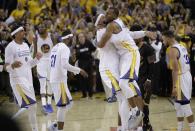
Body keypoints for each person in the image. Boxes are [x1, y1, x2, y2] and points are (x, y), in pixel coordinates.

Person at [97, 7, 145, 129]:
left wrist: (145, 33)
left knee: (124, 97)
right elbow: (100, 44)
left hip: (120, 64)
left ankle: (127, 125)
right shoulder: (102, 30)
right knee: (124, 96)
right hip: (108, 68)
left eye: (107, 14)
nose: (105, 17)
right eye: (102, 17)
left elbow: (129, 34)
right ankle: (132, 117)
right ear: (98, 23)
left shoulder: (114, 26)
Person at [4, 23, 42, 131]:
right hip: (18, 80)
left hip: (28, 80)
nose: (24, 32)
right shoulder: (10, 47)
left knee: (31, 108)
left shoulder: (25, 45)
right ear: (15, 34)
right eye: (21, 31)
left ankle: (34, 129)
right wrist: (12, 65)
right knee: (32, 105)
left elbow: (29, 64)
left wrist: (37, 59)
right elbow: (6, 66)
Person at [48, 29, 88, 131]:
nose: (74, 39)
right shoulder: (65, 48)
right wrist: (79, 70)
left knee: (69, 103)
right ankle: (58, 129)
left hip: (56, 79)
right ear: (69, 38)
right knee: (62, 106)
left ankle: (54, 125)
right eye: (73, 37)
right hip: (59, 80)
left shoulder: (55, 47)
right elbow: (65, 65)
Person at [163, 30, 195, 130]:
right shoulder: (182, 45)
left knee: (185, 105)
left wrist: (174, 86)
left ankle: (193, 128)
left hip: (181, 78)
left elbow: (175, 70)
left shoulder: (172, 50)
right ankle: (179, 128)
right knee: (178, 105)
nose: (163, 40)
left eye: (164, 38)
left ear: (169, 37)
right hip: (187, 74)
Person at [33, 22, 54, 114]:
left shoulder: (52, 36)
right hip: (40, 63)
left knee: (50, 84)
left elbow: (56, 50)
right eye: (39, 27)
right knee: (42, 84)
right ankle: (44, 105)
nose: (40, 28)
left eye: (42, 26)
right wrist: (34, 66)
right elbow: (34, 52)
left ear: (46, 27)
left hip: (51, 63)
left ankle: (49, 104)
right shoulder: (36, 38)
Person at [75, 32, 96, 99]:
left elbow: (94, 49)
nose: (81, 38)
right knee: (82, 79)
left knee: (90, 79)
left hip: (89, 62)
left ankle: (90, 94)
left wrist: (92, 57)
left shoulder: (88, 43)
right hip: (81, 63)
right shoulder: (77, 45)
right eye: (79, 37)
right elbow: (76, 55)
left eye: (82, 37)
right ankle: (84, 94)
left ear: (84, 37)